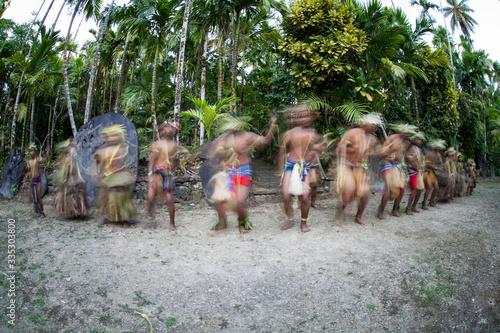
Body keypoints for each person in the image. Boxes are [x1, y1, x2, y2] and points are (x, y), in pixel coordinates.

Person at [210, 114, 277, 234]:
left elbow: (265, 141)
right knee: (219, 200)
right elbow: (217, 152)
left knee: (240, 202)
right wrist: (230, 150)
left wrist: (272, 125)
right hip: (227, 170)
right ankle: (223, 222)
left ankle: (241, 224)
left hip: (243, 170)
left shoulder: (248, 136)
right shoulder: (224, 137)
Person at [278, 105, 322, 233]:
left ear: (311, 118)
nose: (303, 118)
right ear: (297, 118)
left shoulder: (313, 135)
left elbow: (318, 150)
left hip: (304, 168)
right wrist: (280, 168)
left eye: (306, 115)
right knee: (286, 196)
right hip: (290, 167)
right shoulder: (290, 133)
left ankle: (303, 222)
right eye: (301, 115)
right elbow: (282, 150)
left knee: (305, 197)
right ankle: (290, 220)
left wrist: (315, 152)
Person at [335, 113, 382, 226]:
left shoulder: (372, 139)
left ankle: (358, 216)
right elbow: (339, 150)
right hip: (347, 166)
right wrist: (356, 149)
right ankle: (337, 216)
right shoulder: (352, 133)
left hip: (359, 168)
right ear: (364, 124)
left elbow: (374, 154)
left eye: (375, 125)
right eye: (372, 124)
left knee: (365, 192)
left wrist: (379, 151)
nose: (374, 127)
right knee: (349, 191)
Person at [95, 124, 138, 229]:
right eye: (111, 136)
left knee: (121, 199)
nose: (112, 138)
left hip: (118, 177)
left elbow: (118, 164)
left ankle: (125, 219)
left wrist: (109, 172)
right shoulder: (104, 151)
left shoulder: (120, 149)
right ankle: (104, 216)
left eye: (115, 135)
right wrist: (100, 172)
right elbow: (101, 164)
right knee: (104, 198)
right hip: (108, 177)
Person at [147, 121, 186, 230]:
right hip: (156, 173)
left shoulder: (176, 145)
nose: (168, 130)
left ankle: (172, 223)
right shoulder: (158, 144)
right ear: (162, 131)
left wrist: (177, 166)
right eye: (166, 128)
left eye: (170, 128)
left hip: (167, 174)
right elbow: (152, 160)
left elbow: (177, 160)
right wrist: (150, 176)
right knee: (150, 198)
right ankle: (151, 220)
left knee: (169, 199)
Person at [377, 124, 416, 219]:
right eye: (405, 131)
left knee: (401, 189)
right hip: (387, 164)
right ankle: (381, 210)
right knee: (389, 188)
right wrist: (391, 150)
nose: (407, 133)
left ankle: (395, 209)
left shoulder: (406, 143)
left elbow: (404, 155)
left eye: (408, 132)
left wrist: (410, 158)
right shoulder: (392, 138)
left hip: (398, 166)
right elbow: (381, 152)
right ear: (400, 130)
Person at [53, 138, 90, 219]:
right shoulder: (68, 156)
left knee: (76, 196)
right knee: (70, 196)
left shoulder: (73, 154)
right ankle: (75, 213)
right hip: (69, 179)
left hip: (73, 179)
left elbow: (72, 167)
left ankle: (79, 214)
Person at [404, 132, 425, 215]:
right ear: (413, 140)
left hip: (419, 171)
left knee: (420, 190)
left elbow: (421, 161)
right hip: (412, 171)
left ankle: (413, 206)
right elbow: (406, 157)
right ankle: (408, 208)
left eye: (420, 140)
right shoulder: (411, 148)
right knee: (414, 189)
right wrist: (411, 159)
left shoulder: (420, 150)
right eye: (417, 139)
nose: (419, 141)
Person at [421, 139, 445, 209]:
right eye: (437, 146)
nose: (438, 148)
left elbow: (439, 164)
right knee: (429, 187)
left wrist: (440, 168)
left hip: (433, 172)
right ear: (434, 147)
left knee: (436, 187)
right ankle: (424, 203)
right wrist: (437, 168)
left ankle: (431, 201)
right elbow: (427, 164)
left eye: (439, 147)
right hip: (427, 171)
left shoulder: (438, 155)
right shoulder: (430, 154)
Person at [24, 143, 47, 218]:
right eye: (31, 151)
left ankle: (42, 212)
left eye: (33, 151)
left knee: (38, 196)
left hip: (38, 180)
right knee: (34, 197)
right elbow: (28, 171)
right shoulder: (29, 162)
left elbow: (43, 160)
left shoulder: (37, 159)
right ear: (29, 153)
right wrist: (25, 177)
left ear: (35, 152)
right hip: (32, 180)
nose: (32, 152)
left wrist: (45, 155)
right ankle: (38, 211)